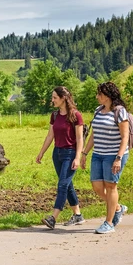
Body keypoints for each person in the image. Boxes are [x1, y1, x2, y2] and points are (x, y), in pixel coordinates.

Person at [81, 82, 130, 234]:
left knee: (110, 187)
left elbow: (125, 137)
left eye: (99, 94)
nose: (97, 97)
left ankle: (109, 223)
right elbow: (94, 134)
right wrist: (84, 153)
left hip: (113, 155)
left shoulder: (120, 111)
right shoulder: (98, 110)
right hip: (98, 154)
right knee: (96, 186)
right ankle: (118, 208)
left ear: (107, 96)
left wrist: (118, 158)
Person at [36, 86, 85, 229]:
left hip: (70, 153)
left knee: (62, 185)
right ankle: (78, 215)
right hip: (57, 153)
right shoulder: (55, 115)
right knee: (67, 184)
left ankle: (53, 218)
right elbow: (50, 136)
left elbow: (80, 139)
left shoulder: (76, 115)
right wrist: (41, 152)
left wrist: (77, 157)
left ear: (63, 98)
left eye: (55, 98)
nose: (52, 100)